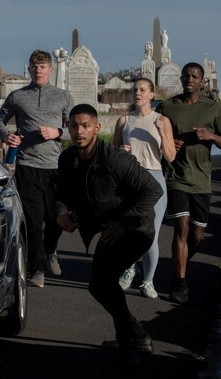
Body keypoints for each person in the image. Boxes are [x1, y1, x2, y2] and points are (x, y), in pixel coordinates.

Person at [55, 104, 163, 363]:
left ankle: (131, 343)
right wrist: (61, 213)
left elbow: (153, 190)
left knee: (103, 283)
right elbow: (61, 192)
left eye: (85, 126)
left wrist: (123, 223)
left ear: (97, 128)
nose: (79, 131)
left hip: (136, 227)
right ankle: (135, 335)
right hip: (110, 228)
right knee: (101, 285)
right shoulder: (68, 159)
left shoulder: (115, 159)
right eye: (74, 126)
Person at [0, 49, 73, 287]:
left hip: (55, 167)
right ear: (29, 69)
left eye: (43, 66)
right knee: (33, 220)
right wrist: (6, 136)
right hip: (27, 165)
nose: (39, 71)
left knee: (55, 219)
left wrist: (58, 132)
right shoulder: (18, 97)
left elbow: (75, 128)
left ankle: (50, 250)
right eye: (34, 67)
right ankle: (37, 269)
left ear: (50, 69)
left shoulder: (63, 97)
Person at [157, 62, 221, 303]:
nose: (189, 79)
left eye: (194, 76)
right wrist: (168, 143)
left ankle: (180, 262)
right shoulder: (168, 107)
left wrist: (211, 135)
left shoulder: (214, 108)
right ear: (181, 79)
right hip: (176, 176)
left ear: (202, 81)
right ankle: (180, 284)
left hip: (201, 179)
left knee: (197, 235)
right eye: (186, 76)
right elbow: (156, 136)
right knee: (181, 227)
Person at [114, 78, 176, 298]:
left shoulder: (162, 120)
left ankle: (148, 281)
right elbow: (113, 152)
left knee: (151, 235)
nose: (137, 93)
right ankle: (129, 269)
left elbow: (171, 156)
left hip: (154, 178)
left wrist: (160, 133)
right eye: (135, 90)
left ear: (152, 94)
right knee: (130, 232)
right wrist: (120, 150)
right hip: (130, 179)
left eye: (142, 90)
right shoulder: (124, 120)